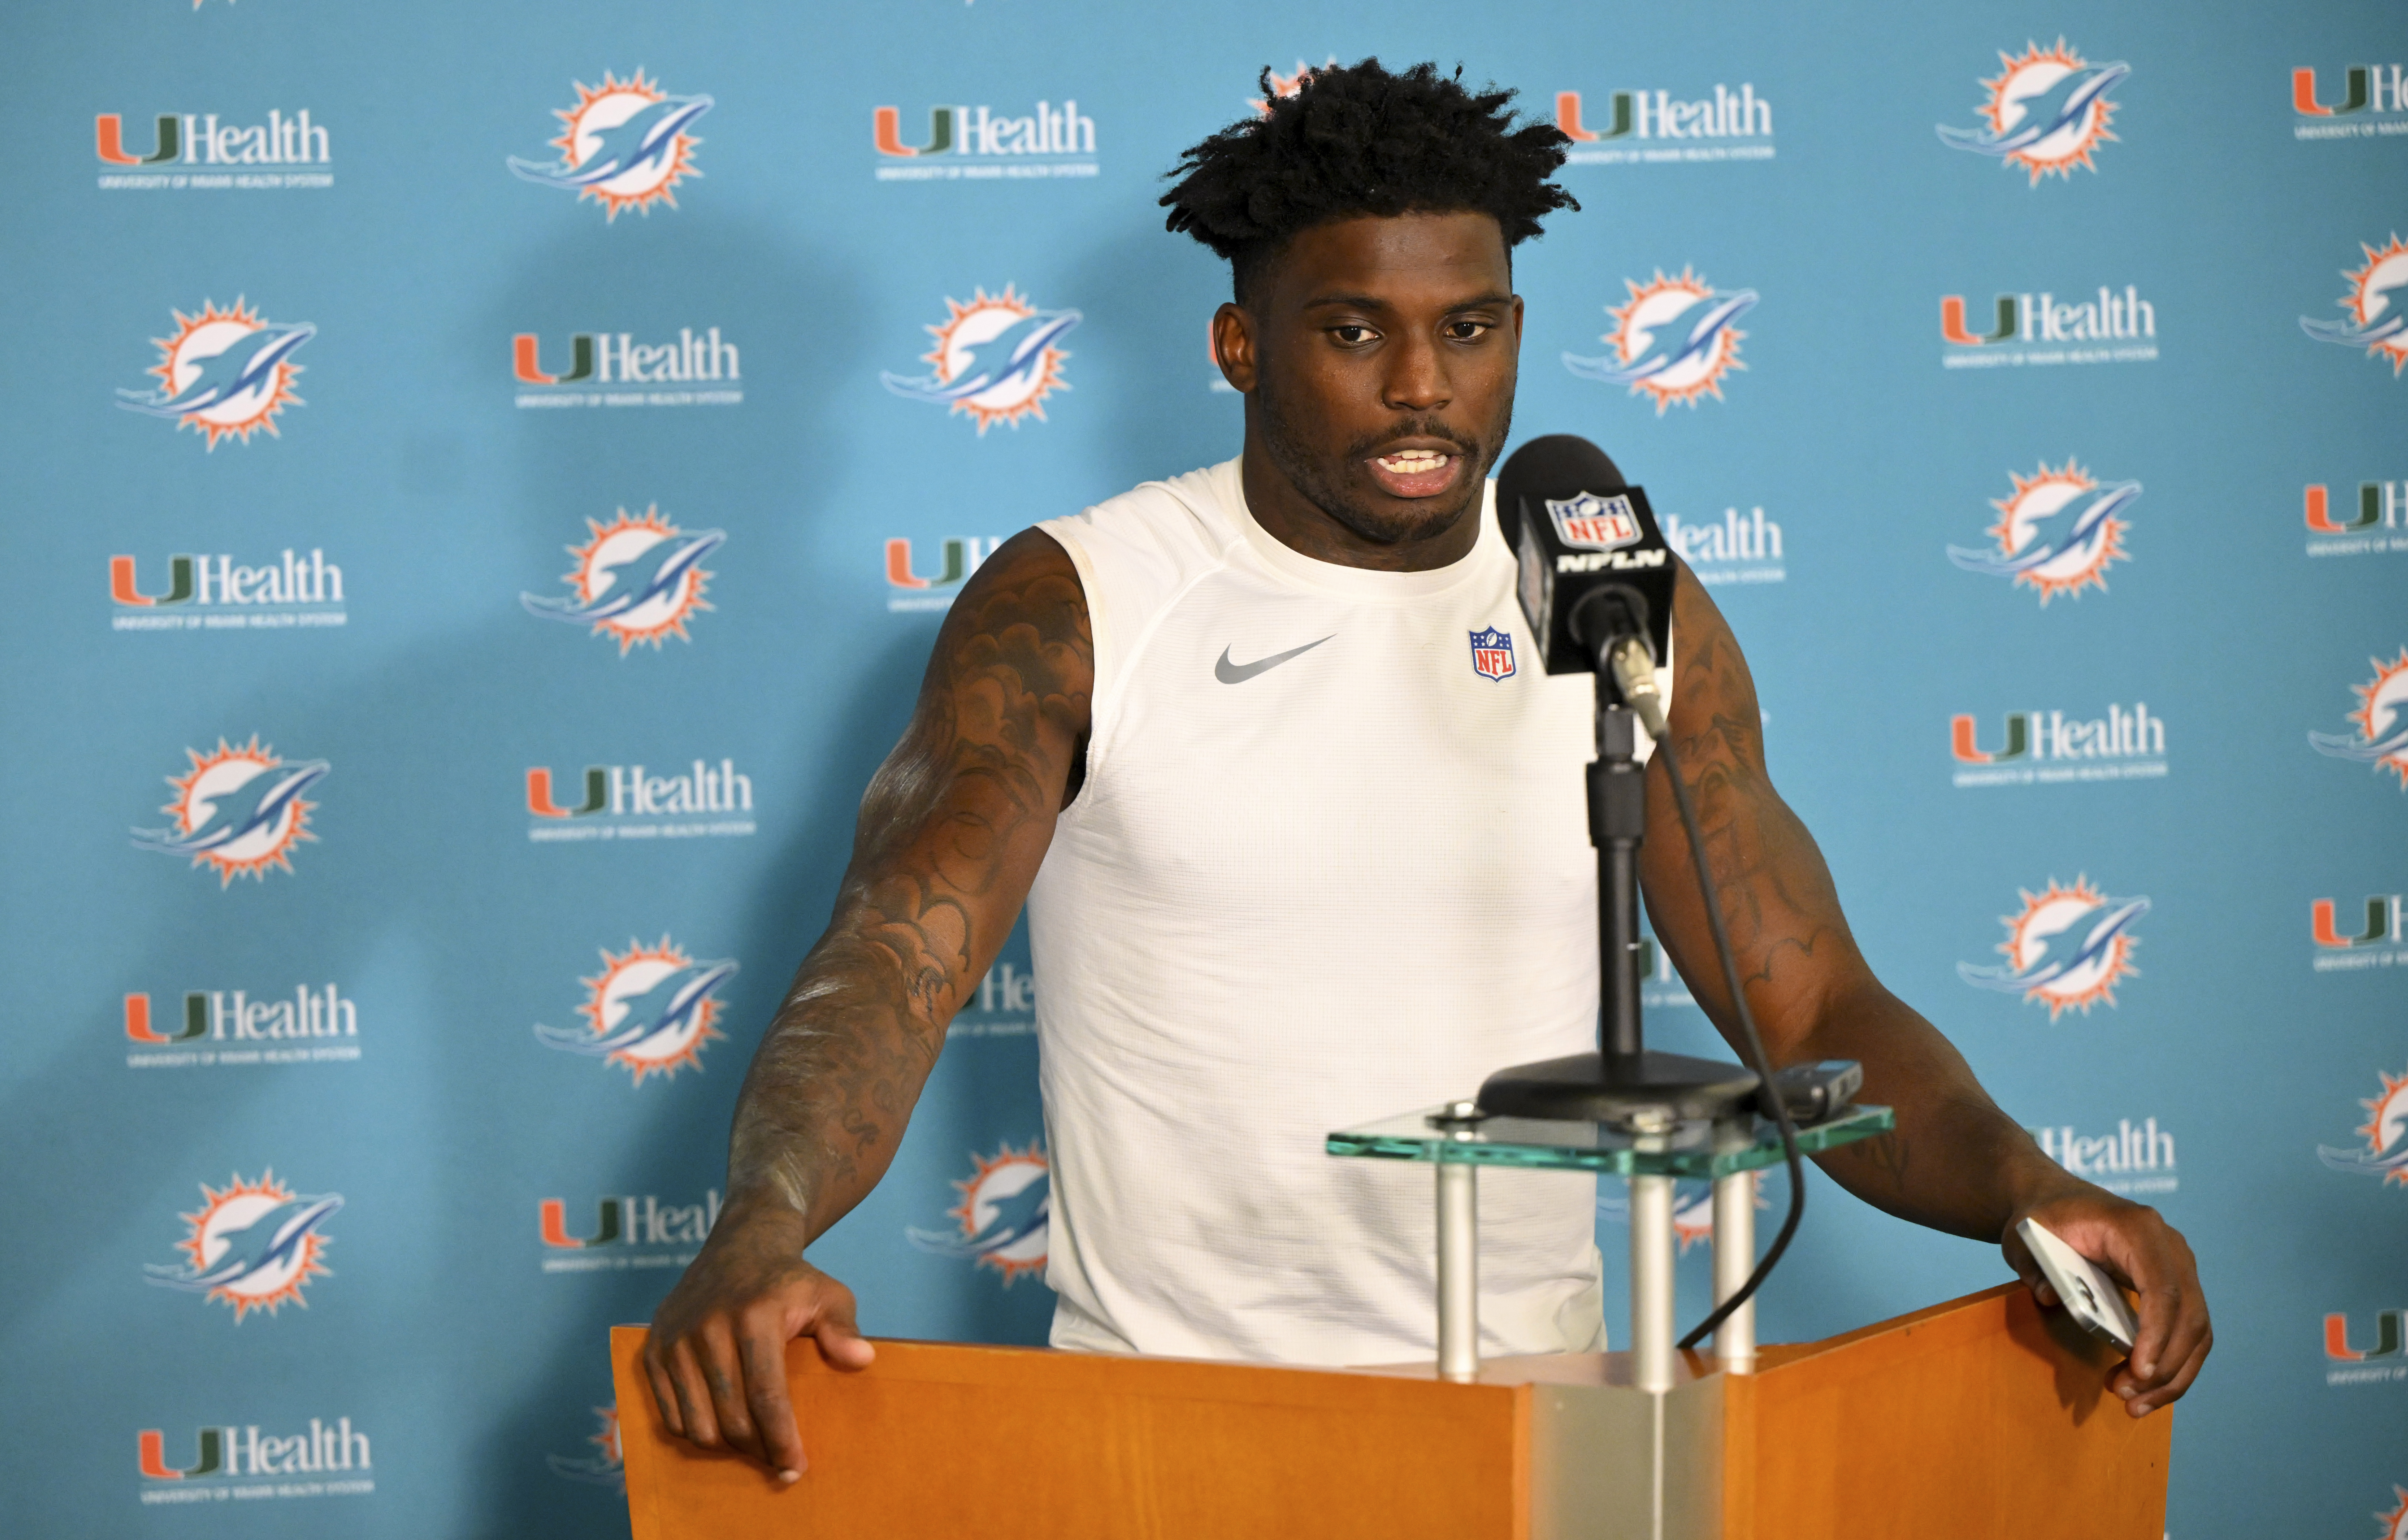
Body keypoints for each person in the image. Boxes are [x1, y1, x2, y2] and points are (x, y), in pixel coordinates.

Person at [642, 59, 2210, 1481]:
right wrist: (760, 1225)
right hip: (1186, 1430)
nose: (1421, 387)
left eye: (1467, 329)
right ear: (1239, 343)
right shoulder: (1082, 597)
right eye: (1351, 332)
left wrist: (2026, 1186)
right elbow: (893, 955)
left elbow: (1803, 999)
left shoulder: (1618, 589)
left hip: (1554, 1428)